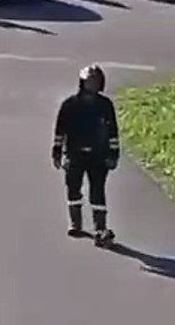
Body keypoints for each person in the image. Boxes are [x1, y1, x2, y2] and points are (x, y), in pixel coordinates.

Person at [52, 64, 119, 246]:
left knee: (97, 191)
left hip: (99, 156)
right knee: (73, 188)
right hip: (74, 154)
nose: (93, 85)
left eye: (96, 81)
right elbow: (60, 131)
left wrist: (114, 154)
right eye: (90, 81)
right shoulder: (70, 105)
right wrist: (57, 152)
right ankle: (76, 223)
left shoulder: (105, 106)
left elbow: (113, 132)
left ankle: (100, 227)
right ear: (82, 82)